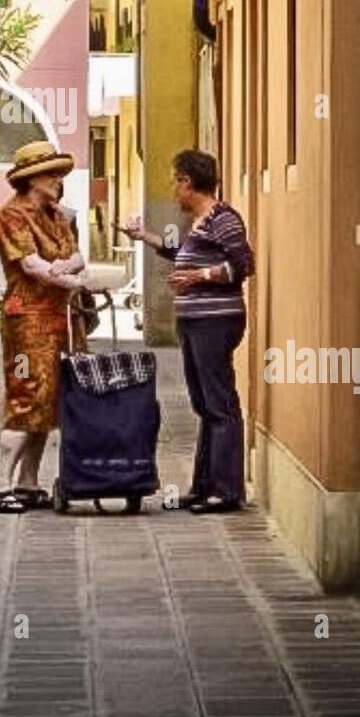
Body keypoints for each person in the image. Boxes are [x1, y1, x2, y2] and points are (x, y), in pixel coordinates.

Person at [122, 149, 254, 514]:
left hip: (216, 320)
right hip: (194, 321)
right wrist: (142, 236)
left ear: (187, 182)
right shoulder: (199, 223)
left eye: (174, 181)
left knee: (220, 403)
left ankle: (226, 492)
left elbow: (244, 264)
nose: (172, 190)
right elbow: (181, 252)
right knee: (203, 404)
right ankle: (203, 486)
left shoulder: (223, 218)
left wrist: (201, 276)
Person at [0, 141, 88, 514]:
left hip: (57, 317)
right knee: (26, 394)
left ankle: (28, 482)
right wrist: (66, 277)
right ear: (31, 179)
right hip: (26, 318)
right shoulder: (12, 215)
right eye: (51, 175)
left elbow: (75, 256)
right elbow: (30, 265)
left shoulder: (57, 216)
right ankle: (1, 484)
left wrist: (64, 269)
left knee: (49, 401)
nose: (58, 181)